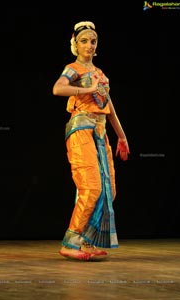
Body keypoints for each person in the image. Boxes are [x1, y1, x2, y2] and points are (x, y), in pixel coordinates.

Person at [52, 21, 130, 261]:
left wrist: (122, 136)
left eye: (93, 41)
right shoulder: (73, 69)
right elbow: (58, 89)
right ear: (75, 43)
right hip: (81, 129)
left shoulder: (100, 74)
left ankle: (87, 241)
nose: (89, 45)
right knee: (91, 187)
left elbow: (109, 105)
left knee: (109, 191)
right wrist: (87, 90)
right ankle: (71, 242)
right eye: (84, 40)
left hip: (100, 133)